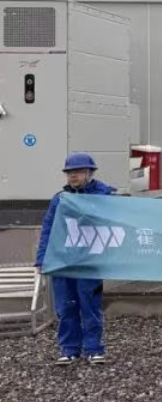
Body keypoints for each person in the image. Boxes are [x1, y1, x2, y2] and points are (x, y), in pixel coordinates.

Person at [35, 153, 117, 365]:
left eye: (79, 171)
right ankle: (69, 349)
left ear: (90, 173)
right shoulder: (60, 199)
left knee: (90, 305)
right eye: (70, 172)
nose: (73, 176)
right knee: (66, 307)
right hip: (63, 261)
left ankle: (93, 349)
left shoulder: (104, 197)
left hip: (90, 262)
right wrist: (42, 259)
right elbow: (48, 229)